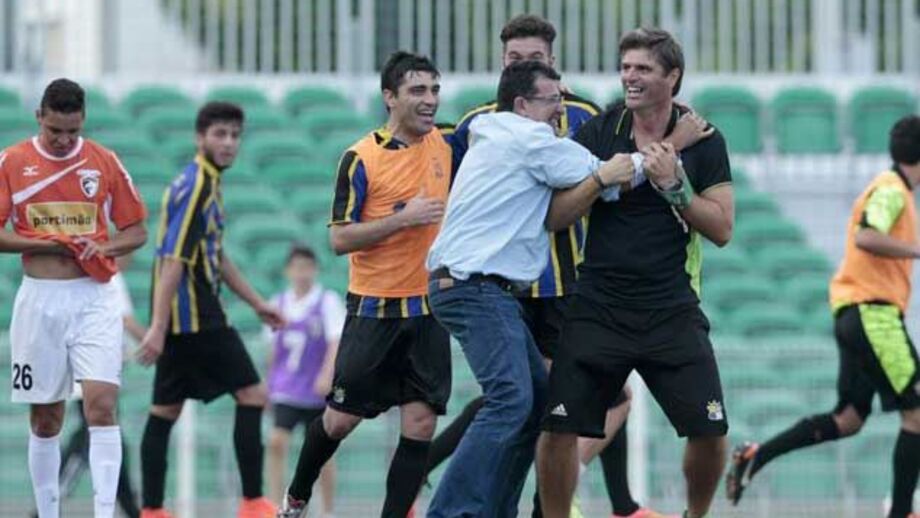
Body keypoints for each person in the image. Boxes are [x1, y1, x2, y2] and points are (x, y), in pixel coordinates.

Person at [426, 14, 707, 518]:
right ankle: (452, 512)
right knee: (513, 401)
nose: (561, 110)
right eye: (551, 102)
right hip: (478, 287)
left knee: (535, 405)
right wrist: (677, 142)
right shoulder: (530, 140)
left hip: (486, 286)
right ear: (521, 103)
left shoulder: (488, 127)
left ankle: (494, 508)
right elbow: (619, 173)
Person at [536, 27, 734, 518]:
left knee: (711, 432)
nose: (630, 76)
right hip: (598, 304)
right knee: (557, 427)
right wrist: (604, 176)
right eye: (625, 67)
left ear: (673, 77)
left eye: (643, 68)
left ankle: (694, 515)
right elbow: (555, 216)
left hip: (671, 307)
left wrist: (678, 187)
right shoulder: (602, 130)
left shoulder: (705, 140)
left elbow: (723, 228)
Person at [277, 51, 458, 518]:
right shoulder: (361, 158)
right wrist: (404, 219)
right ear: (390, 97)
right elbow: (339, 238)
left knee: (419, 423)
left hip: (428, 309)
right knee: (339, 422)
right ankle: (296, 497)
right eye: (418, 90)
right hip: (374, 311)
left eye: (434, 90)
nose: (430, 100)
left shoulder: (449, 143)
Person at [726, 115, 920, 518]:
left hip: (854, 315)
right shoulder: (892, 190)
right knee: (918, 412)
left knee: (848, 419)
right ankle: (901, 513)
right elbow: (866, 234)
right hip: (874, 315)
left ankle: (757, 457)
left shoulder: (887, 187)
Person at [0, 78, 148, 518]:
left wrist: (103, 248)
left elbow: (137, 230)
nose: (64, 141)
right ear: (39, 119)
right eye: (55, 132)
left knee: (102, 405)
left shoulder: (103, 161)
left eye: (72, 131)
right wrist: (52, 243)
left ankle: (105, 512)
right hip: (40, 300)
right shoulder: (12, 162)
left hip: (94, 298)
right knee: (46, 418)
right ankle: (48, 512)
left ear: (82, 121)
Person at [136, 101, 284, 518]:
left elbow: (215, 255)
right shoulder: (198, 184)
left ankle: (152, 510)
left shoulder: (204, 182)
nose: (229, 142)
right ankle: (253, 501)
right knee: (253, 394)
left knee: (164, 411)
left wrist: (257, 303)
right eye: (220, 134)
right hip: (197, 316)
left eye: (235, 135)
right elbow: (174, 260)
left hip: (187, 318)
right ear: (200, 138)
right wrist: (159, 326)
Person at [28, 253, 145, 518]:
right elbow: (124, 320)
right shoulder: (111, 279)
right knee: (87, 443)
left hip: (98, 374)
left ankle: (131, 509)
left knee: (106, 443)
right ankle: (47, 506)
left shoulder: (104, 277)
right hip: (94, 375)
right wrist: (151, 340)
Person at [265, 244, 345, 517]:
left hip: (316, 390)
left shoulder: (327, 301)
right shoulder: (279, 303)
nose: (302, 273)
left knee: (323, 453)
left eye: (307, 267)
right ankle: (277, 504)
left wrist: (327, 374)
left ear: (315, 270)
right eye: (297, 267)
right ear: (289, 271)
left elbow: (336, 341)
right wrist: (269, 383)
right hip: (286, 388)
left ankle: (327, 509)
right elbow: (273, 348)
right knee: (276, 441)